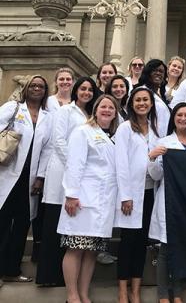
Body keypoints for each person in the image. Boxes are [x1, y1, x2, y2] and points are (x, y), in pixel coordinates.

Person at [57, 95, 119, 303]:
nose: (107, 110)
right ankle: (72, 295)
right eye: (104, 106)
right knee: (75, 247)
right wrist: (72, 194)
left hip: (102, 204)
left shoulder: (109, 136)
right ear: (96, 109)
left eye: (111, 107)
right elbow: (74, 164)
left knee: (91, 251)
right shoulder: (83, 132)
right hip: (82, 200)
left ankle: (84, 294)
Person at [36, 77, 97, 286]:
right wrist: (73, 164)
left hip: (78, 174)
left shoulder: (90, 114)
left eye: (90, 90)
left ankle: (63, 276)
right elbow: (58, 140)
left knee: (68, 226)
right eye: (83, 89)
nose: (86, 93)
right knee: (53, 224)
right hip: (62, 170)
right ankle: (47, 276)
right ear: (76, 90)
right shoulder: (65, 111)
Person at [148, 103, 186, 303]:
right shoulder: (165, 143)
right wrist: (152, 158)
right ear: (174, 118)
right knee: (165, 248)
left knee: (182, 247)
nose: (183, 118)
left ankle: (178, 293)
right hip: (170, 199)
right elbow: (156, 175)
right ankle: (164, 295)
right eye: (179, 115)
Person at [0, 75, 52, 284]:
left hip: (29, 177)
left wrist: (40, 177)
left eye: (41, 86)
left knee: (22, 224)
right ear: (26, 88)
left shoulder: (48, 116)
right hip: (7, 173)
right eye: (33, 85)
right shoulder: (13, 107)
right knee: (2, 222)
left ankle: (12, 269)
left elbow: (48, 149)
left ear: (45, 91)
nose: (37, 88)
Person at [114, 86, 160, 303]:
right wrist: (125, 195)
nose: (142, 103)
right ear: (132, 104)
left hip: (150, 192)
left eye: (146, 100)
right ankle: (123, 291)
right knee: (128, 242)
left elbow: (155, 163)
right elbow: (121, 164)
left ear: (151, 104)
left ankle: (136, 290)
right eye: (138, 100)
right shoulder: (124, 129)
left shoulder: (154, 129)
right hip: (131, 194)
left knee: (142, 242)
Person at [138, 59, 171, 137]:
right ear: (148, 73)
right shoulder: (141, 92)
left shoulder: (161, 96)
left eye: (161, 71)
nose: (158, 73)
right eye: (155, 70)